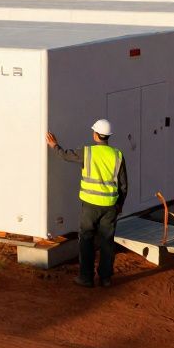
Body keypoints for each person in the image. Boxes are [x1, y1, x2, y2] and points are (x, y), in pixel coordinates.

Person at [45, 119, 128, 288]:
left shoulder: (88, 152)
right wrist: (119, 205)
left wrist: (54, 145)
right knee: (107, 242)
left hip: (90, 205)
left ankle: (86, 277)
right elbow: (124, 185)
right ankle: (105, 278)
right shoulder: (118, 155)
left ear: (95, 135)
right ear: (108, 136)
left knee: (86, 239)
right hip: (110, 206)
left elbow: (65, 155)